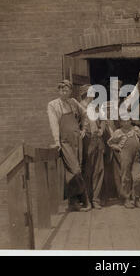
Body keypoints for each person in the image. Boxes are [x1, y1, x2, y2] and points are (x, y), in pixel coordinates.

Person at [47, 80, 91, 212]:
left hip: (77, 140)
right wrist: (56, 141)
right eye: (61, 90)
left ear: (71, 91)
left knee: (72, 172)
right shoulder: (53, 105)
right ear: (58, 91)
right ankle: (85, 199)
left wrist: (84, 128)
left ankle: (72, 203)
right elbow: (53, 123)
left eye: (66, 90)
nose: (64, 92)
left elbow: (85, 114)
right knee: (75, 169)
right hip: (65, 141)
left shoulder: (73, 102)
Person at [107, 111, 140, 209]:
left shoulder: (135, 129)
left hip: (136, 156)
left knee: (138, 178)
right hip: (125, 156)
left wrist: (139, 144)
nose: (127, 122)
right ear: (121, 123)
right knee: (126, 178)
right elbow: (110, 142)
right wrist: (118, 147)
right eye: (124, 121)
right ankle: (127, 199)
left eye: (128, 120)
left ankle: (137, 199)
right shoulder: (118, 132)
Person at [79, 84, 106, 210]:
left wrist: (101, 129)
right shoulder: (78, 107)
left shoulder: (95, 106)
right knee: (87, 170)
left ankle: (96, 199)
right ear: (85, 93)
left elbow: (103, 120)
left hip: (97, 139)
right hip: (86, 140)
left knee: (99, 170)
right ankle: (87, 200)